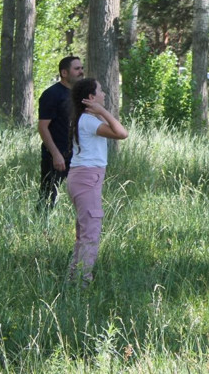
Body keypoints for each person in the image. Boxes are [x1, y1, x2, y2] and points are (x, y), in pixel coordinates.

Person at [67, 78, 128, 286]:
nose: (104, 94)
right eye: (100, 91)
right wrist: (102, 111)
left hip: (82, 178)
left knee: (84, 232)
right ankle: (82, 283)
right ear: (91, 98)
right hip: (86, 179)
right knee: (90, 232)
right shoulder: (90, 121)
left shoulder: (84, 120)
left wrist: (99, 110)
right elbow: (122, 133)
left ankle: (73, 279)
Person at [37, 56, 85, 210]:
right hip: (56, 157)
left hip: (77, 155)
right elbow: (43, 127)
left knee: (81, 196)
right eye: (77, 69)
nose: (81, 72)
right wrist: (56, 155)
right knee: (48, 198)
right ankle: (42, 229)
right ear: (64, 73)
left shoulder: (80, 95)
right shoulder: (52, 94)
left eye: (81, 68)